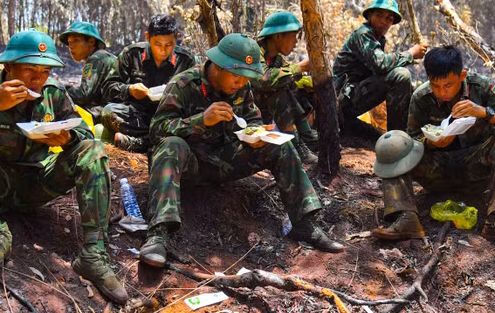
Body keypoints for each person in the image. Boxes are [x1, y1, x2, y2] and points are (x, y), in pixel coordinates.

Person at [0, 30, 127, 304]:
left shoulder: (53, 94)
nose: (37, 79)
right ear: (7, 66)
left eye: (44, 71)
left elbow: (85, 137)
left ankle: (93, 253)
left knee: (94, 149)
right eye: (29, 70)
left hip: (33, 185)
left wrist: (68, 138)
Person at [138, 33, 343, 268]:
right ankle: (158, 234)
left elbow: (252, 119)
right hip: (189, 166)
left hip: (226, 160)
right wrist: (200, 120)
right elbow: (156, 131)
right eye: (236, 75)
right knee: (171, 145)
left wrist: (257, 135)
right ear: (217, 66)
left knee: (281, 145)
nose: (241, 83)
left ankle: (303, 223)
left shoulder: (241, 88)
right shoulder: (183, 85)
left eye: (246, 77)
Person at [372, 45, 495, 247]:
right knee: (393, 144)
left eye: (448, 85)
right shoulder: (421, 97)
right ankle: (405, 218)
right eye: (435, 86)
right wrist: (430, 141)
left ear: (462, 75)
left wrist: (485, 112)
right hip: (436, 173)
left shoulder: (484, 88)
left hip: (477, 172)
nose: (442, 92)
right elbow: (411, 139)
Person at [333, 0, 428, 136]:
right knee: (401, 75)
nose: (384, 22)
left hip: (350, 99)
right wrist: (410, 54)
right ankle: (397, 137)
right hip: (342, 101)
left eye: (389, 18)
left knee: (405, 82)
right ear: (370, 16)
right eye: (379, 16)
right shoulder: (363, 34)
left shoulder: (376, 38)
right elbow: (380, 64)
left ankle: (406, 133)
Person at [102, 14, 197, 152]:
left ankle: (141, 143)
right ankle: (153, 141)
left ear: (177, 37)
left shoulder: (186, 61)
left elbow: (198, 94)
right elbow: (107, 88)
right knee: (108, 113)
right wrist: (129, 90)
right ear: (147, 37)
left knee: (193, 124)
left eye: (169, 44)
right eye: (157, 44)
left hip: (170, 117)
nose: (163, 50)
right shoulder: (132, 54)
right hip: (139, 116)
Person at [252, 11, 318, 165]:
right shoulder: (254, 52)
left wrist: (311, 84)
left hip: (263, 113)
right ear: (277, 36)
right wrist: (299, 68)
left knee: (295, 86)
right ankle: (297, 145)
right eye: (293, 36)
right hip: (246, 112)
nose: (296, 42)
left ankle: (308, 137)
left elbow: (289, 78)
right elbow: (263, 80)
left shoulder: (277, 59)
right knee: (279, 90)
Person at [59, 21, 116, 124]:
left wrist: (59, 92)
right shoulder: (101, 57)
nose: (70, 46)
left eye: (76, 40)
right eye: (69, 42)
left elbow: (84, 94)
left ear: (91, 42)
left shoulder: (97, 58)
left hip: (114, 109)